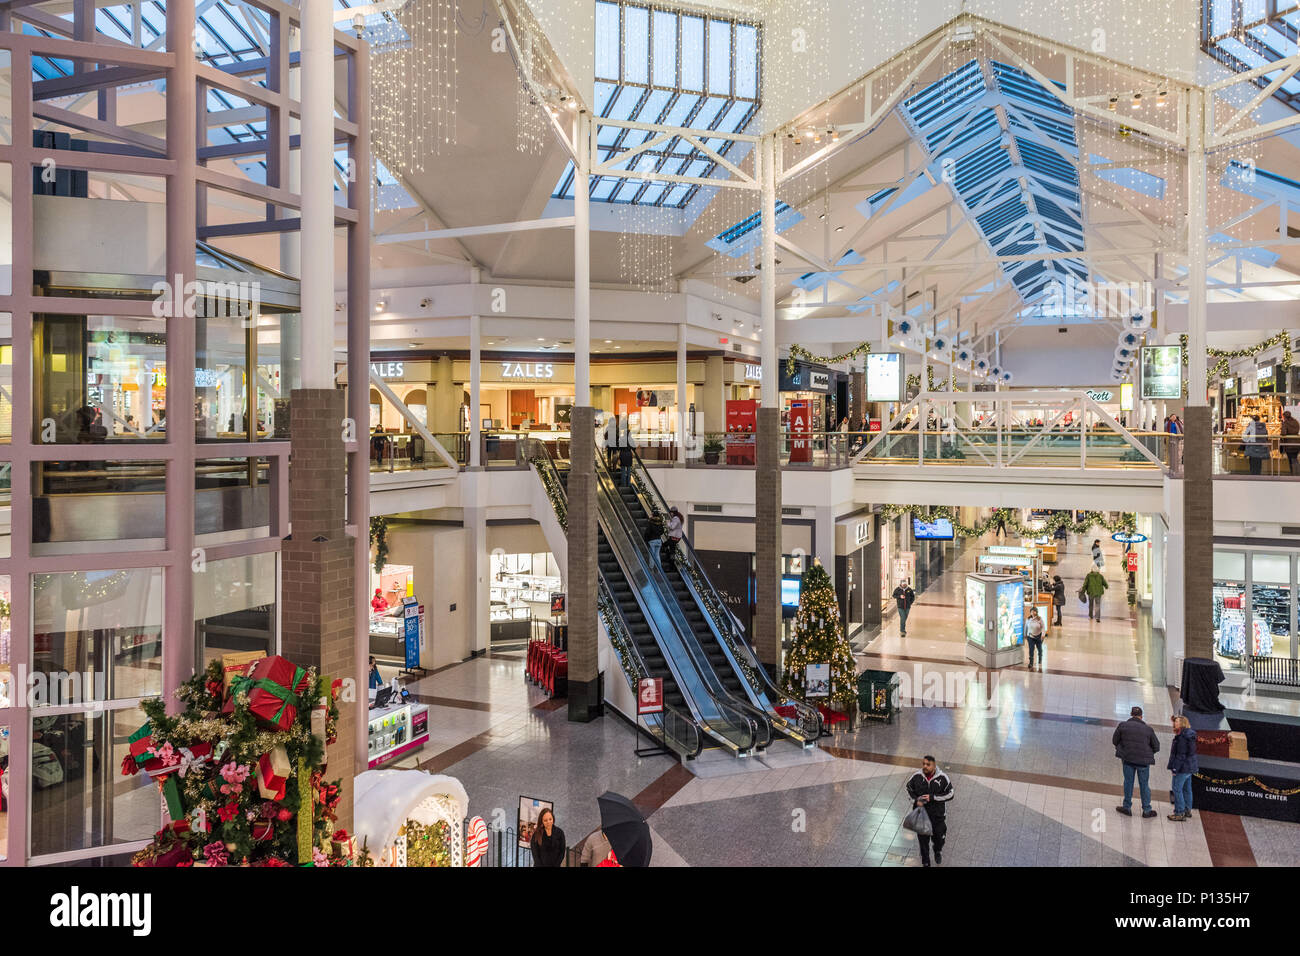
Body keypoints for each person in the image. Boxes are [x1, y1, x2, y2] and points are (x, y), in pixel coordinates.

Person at [1112, 705, 1160, 818]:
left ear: (1131, 714)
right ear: (1141, 716)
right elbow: (1156, 746)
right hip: (1143, 762)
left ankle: (1127, 807)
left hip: (1128, 759)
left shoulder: (1123, 726)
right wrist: (1147, 753)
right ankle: (1147, 810)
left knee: (1128, 783)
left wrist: (1123, 749)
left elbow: (1115, 740)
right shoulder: (1148, 729)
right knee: (1144, 785)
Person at [906, 755, 954, 867]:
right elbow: (908, 789)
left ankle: (937, 850)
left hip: (938, 816)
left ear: (934, 765)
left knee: (939, 838)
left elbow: (951, 794)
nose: (925, 766)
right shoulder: (917, 776)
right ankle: (926, 862)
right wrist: (915, 800)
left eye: (928, 764)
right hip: (921, 816)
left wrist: (933, 797)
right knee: (923, 842)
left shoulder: (943, 778)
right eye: (923, 764)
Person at [1167, 714, 1199, 822]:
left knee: (1177, 788)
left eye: (1177, 722)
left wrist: (1175, 768)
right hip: (1190, 767)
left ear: (1182, 723)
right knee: (1187, 788)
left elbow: (1181, 755)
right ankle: (1187, 810)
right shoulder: (1190, 735)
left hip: (1183, 767)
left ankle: (1179, 813)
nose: (1174, 723)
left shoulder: (1182, 737)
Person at [1025, 605, 1045, 670]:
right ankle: (1031, 663)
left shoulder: (1039, 619)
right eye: (1031, 611)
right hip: (1030, 637)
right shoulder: (1028, 619)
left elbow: (1043, 627)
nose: (1033, 613)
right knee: (1031, 650)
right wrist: (1025, 635)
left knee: (1039, 649)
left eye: (1034, 611)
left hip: (1038, 637)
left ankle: (1040, 658)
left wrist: (1043, 634)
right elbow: (1026, 627)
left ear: (1036, 612)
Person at [1282, 410, 1300, 475]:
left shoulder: (1285, 423)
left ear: (1284, 416)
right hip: (1297, 443)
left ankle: (1293, 473)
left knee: (1291, 459)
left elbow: (1283, 433)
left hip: (1289, 444)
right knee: (1295, 458)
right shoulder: (1296, 422)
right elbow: (1297, 430)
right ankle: (1297, 472)